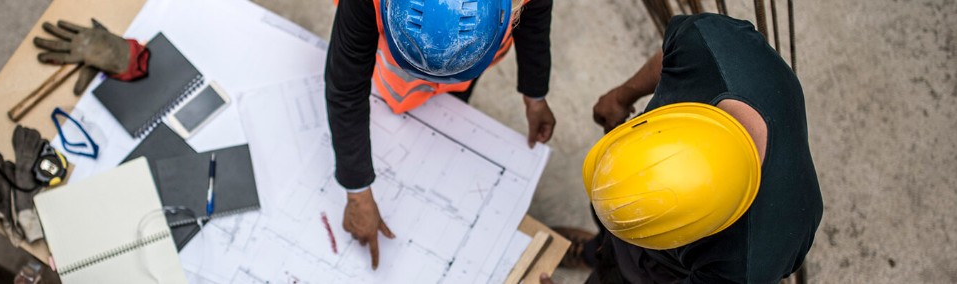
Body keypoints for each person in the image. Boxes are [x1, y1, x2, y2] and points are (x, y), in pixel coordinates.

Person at [550, 13, 823, 283]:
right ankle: (596, 249)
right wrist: (623, 96)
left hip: (659, 273)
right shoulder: (708, 46)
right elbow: (671, 55)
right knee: (610, 221)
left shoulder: (751, 261)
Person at [325, 0, 556, 270]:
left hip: (465, 65)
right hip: (392, 77)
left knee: (453, 100)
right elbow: (346, 87)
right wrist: (357, 191)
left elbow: (535, 22)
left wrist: (535, 94)